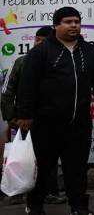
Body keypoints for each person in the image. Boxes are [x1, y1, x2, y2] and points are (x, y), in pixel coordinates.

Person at [15, 7, 94, 215]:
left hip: (78, 124)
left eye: (77, 21)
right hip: (45, 123)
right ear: (56, 25)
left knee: (77, 169)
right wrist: (24, 114)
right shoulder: (40, 52)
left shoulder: (90, 52)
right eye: (68, 22)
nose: (74, 25)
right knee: (42, 169)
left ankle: (79, 207)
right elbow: (27, 84)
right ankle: (35, 205)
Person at [1, 26, 66, 206]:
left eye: (44, 41)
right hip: (22, 121)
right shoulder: (21, 62)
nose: (39, 44)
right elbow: (7, 92)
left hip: (49, 120)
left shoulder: (58, 63)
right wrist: (11, 117)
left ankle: (50, 193)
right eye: (37, 40)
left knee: (49, 159)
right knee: (19, 157)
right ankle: (16, 192)